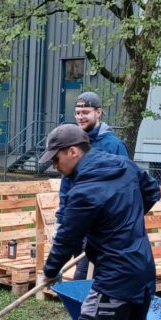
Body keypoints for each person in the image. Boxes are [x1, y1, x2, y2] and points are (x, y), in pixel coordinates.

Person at [41, 123, 161, 320]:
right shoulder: (124, 165)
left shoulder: (84, 190)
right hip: (143, 271)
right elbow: (153, 192)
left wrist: (50, 270)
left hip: (115, 279)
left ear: (73, 151)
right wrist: (124, 221)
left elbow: (67, 238)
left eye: (56, 159)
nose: (55, 166)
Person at [58, 91, 129, 280]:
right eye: (78, 112)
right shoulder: (73, 143)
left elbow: (122, 187)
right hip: (77, 222)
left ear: (99, 112)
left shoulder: (113, 146)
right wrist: (62, 217)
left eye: (86, 112)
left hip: (100, 226)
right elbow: (67, 184)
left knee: (84, 276)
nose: (80, 117)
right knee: (85, 276)